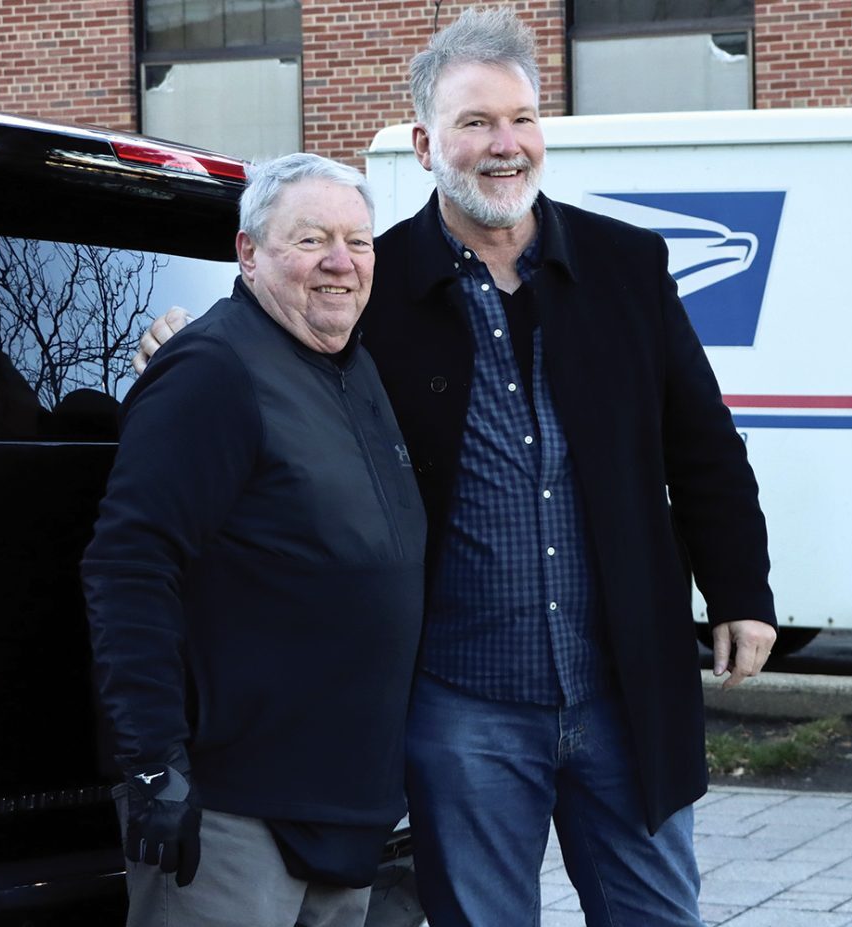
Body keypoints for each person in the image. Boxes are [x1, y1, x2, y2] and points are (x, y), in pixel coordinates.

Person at [136, 8, 778, 926]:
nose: (503, 145)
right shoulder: (373, 281)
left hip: (623, 688)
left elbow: (703, 443)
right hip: (461, 703)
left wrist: (741, 590)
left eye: (519, 119)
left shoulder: (626, 265)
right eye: (474, 123)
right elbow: (273, 344)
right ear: (425, 142)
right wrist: (179, 338)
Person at [82, 153, 426, 927]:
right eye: (311, 240)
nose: (341, 261)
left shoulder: (352, 367)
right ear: (248, 253)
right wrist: (153, 767)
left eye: (358, 241)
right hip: (233, 813)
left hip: (347, 804)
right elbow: (128, 565)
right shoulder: (213, 370)